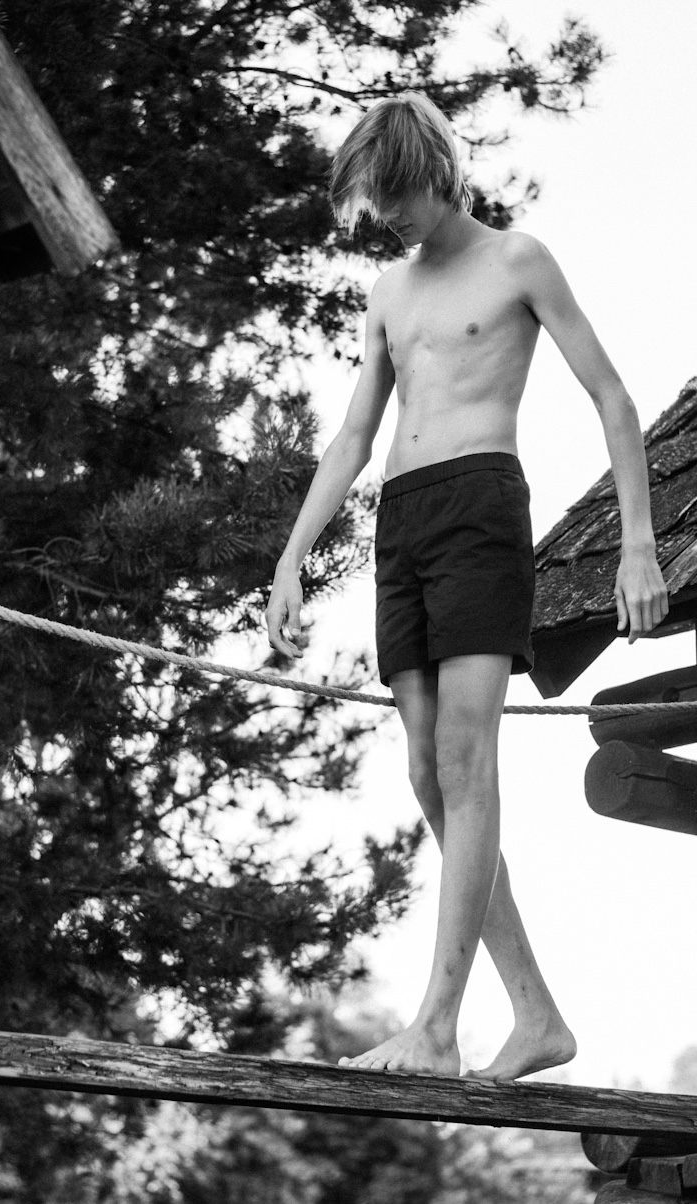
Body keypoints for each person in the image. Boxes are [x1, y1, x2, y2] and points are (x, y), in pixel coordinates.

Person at [264, 92, 668, 1081]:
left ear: (437, 174)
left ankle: (438, 1026)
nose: (388, 214)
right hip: (401, 524)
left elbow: (612, 397)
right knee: (423, 771)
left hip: (481, 510)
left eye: (397, 194)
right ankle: (535, 1014)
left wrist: (638, 546)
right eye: (376, 200)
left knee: (463, 759)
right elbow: (353, 437)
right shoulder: (387, 293)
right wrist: (290, 557)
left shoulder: (517, 260)